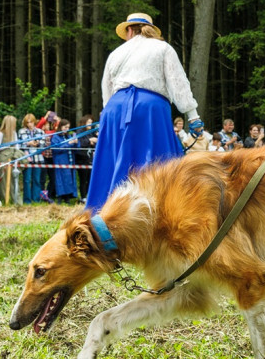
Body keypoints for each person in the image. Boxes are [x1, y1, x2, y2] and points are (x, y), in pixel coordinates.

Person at [85, 12, 201, 211]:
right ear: (150, 30)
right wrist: (193, 116)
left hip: (115, 109)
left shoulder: (116, 54)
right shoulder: (163, 48)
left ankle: (104, 212)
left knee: (112, 162)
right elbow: (178, 84)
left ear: (129, 30)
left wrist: (108, 117)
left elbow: (107, 89)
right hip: (149, 108)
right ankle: (161, 208)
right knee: (158, 163)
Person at [0, 115, 24, 205]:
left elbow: (17, 145)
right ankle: (4, 199)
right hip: (4, 157)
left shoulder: (14, 133)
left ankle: (16, 201)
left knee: (14, 178)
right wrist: (8, 146)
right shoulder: (1, 133)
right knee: (4, 180)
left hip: (14, 156)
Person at [18, 114, 46, 204]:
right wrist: (27, 144)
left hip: (38, 159)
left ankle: (36, 199)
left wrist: (37, 143)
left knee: (37, 179)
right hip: (27, 159)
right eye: (28, 122)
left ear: (34, 122)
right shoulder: (21, 131)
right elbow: (19, 145)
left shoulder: (40, 131)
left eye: (31, 122)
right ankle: (27, 200)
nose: (30, 124)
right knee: (26, 180)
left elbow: (44, 143)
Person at [49, 120, 79, 202]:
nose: (67, 129)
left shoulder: (69, 136)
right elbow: (56, 149)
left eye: (68, 127)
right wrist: (69, 143)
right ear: (60, 127)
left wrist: (76, 143)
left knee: (69, 179)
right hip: (60, 161)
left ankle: (68, 197)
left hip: (70, 160)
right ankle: (60, 197)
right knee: (60, 179)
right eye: (65, 127)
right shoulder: (55, 137)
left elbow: (76, 149)